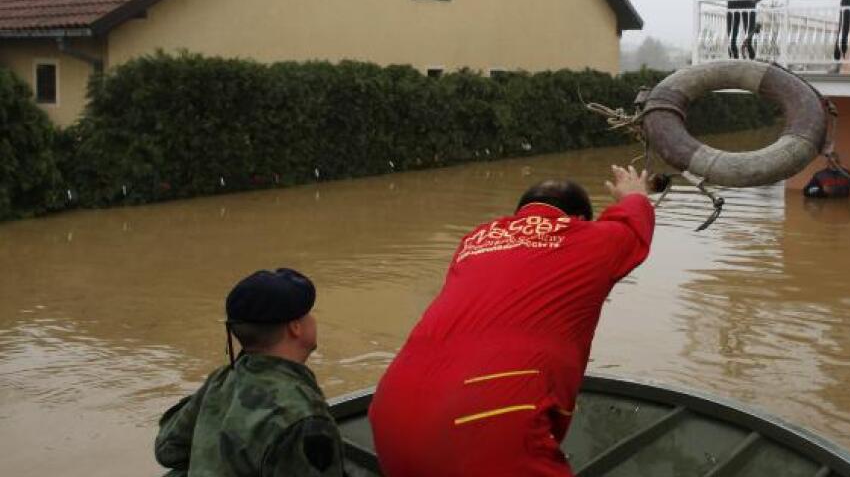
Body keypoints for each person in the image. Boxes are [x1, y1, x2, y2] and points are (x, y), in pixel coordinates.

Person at [369, 165, 655, 476]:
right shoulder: (592, 238)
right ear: (580, 220)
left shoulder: (474, 241)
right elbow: (632, 227)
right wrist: (635, 195)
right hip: (485, 417)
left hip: (390, 409)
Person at [154, 268, 344, 477]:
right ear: (295, 327)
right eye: (308, 313)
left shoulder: (222, 380)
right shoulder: (303, 416)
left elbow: (168, 450)